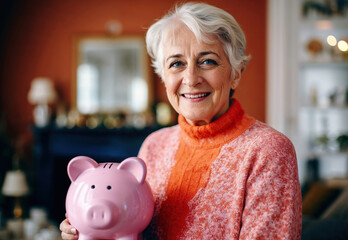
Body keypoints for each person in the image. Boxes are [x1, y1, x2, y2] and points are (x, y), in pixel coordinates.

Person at [60, 2, 302, 239]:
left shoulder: (268, 150)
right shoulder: (154, 145)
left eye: (207, 61)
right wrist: (90, 230)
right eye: (176, 64)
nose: (191, 78)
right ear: (164, 77)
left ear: (236, 72)